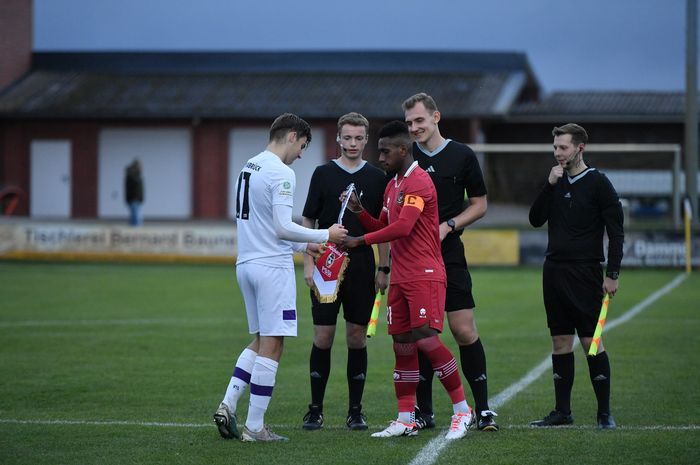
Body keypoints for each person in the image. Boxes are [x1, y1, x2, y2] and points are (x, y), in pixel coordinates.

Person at [213, 113, 348, 442]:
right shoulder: (281, 173)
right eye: (302, 145)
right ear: (291, 136)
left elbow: (267, 226)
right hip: (271, 268)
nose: (301, 153)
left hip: (246, 263)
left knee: (260, 340)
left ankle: (227, 405)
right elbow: (281, 227)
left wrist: (304, 246)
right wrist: (323, 234)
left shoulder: (249, 166)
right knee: (274, 344)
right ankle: (255, 427)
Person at [343, 120, 473, 440]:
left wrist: (360, 241)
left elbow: (403, 228)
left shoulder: (419, 183)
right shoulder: (392, 185)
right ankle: (406, 418)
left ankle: (461, 411)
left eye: (385, 151)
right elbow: (383, 224)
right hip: (401, 277)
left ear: (403, 149)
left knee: (427, 339)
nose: (380, 156)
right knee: (402, 345)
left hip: (425, 274)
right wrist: (360, 213)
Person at [402, 93, 497, 431]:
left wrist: (449, 225)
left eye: (420, 121)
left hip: (449, 254)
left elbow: (480, 204)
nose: (414, 128)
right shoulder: (405, 157)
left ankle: (483, 409)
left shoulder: (461, 155)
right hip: (413, 258)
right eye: (410, 123)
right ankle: (424, 412)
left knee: (462, 329)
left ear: (436, 117)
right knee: (422, 332)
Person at [528, 123, 624, 430]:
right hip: (553, 271)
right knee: (559, 341)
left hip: (585, 273)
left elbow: (616, 232)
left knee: (590, 342)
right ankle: (562, 412)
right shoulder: (554, 181)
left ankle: (604, 413)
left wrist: (612, 273)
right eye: (555, 147)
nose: (557, 153)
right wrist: (549, 185)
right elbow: (535, 219)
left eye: (563, 148)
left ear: (579, 148)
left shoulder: (598, 183)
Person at [300, 112, 390, 431]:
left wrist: (383, 267)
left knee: (356, 338)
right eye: (347, 138)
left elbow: (383, 228)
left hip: (363, 265)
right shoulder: (322, 174)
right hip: (326, 262)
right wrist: (309, 262)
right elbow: (308, 221)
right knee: (323, 337)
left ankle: (355, 410)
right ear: (338, 139)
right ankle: (315, 410)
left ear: (367, 140)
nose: (352, 144)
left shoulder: (378, 178)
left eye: (358, 138)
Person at [124, 159, 144, 226]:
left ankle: (133, 232)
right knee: (136, 218)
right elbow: (132, 188)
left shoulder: (138, 175)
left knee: (134, 218)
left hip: (137, 199)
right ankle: (135, 233)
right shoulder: (132, 176)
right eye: (140, 165)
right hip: (134, 199)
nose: (142, 167)